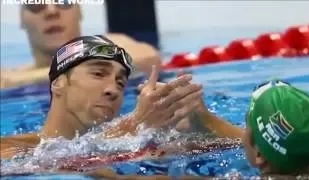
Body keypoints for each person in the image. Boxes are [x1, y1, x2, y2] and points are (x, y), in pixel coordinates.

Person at [0, 35, 203, 159]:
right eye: (98, 74)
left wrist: (202, 119)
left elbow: (232, 148)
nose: (113, 90)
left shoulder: (138, 140)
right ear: (58, 83)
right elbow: (57, 162)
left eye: (120, 82)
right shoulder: (10, 148)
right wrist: (136, 123)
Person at [0, 2, 161, 88]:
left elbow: (148, 58)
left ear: (80, 12)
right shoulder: (9, 76)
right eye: (36, 4)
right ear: (21, 20)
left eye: (64, 2)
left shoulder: (111, 42)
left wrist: (29, 79)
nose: (51, 11)